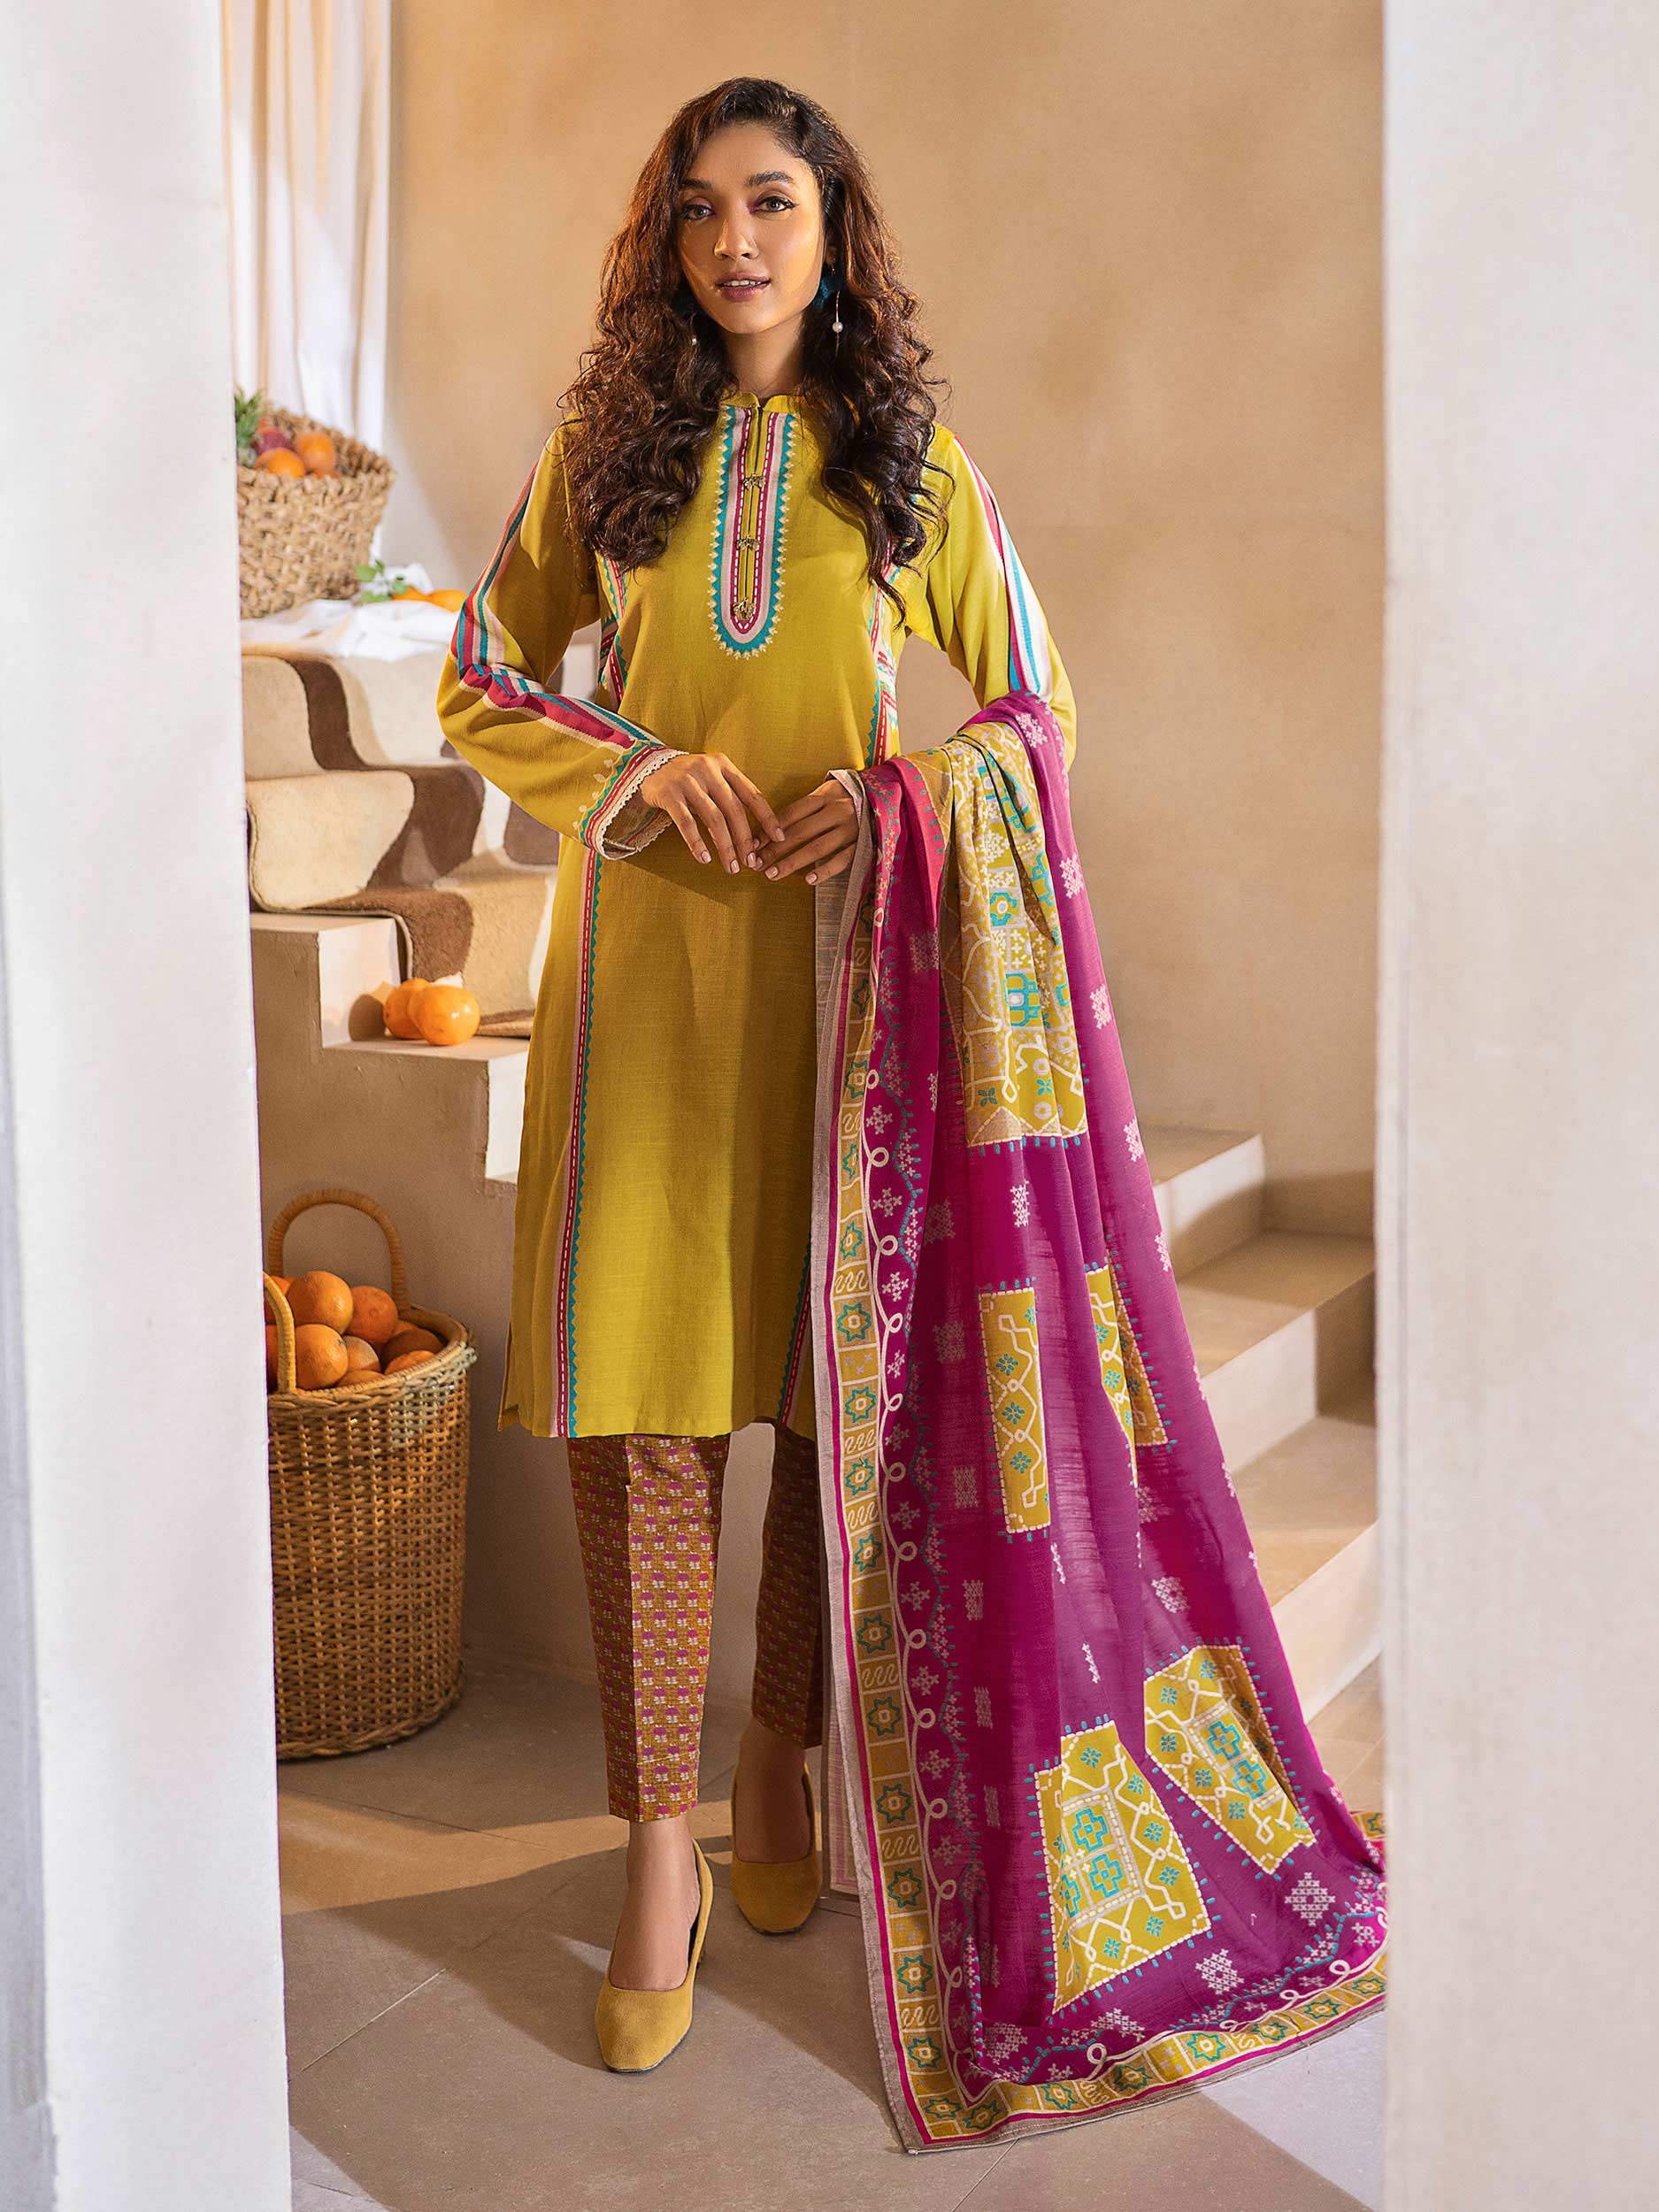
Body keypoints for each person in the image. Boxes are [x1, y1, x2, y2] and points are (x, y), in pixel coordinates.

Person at [434, 74, 1075, 2073]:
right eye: (702, 207)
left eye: (772, 201)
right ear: (666, 237)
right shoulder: (603, 456)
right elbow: (478, 673)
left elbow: (1036, 707)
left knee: (815, 1390)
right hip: (639, 987)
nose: (736, 240)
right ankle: (657, 1841)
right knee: (640, 1406)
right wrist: (630, 772)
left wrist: (891, 800)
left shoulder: (906, 460)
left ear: (831, 227)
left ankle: (781, 1751)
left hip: (836, 987)